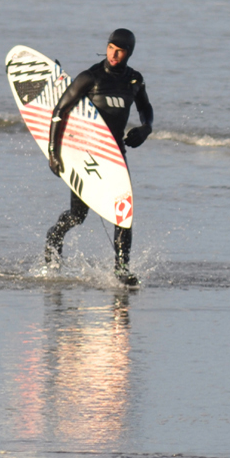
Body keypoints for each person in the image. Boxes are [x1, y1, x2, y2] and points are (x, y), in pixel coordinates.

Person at [45, 28, 153, 285]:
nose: (114, 54)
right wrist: (53, 152)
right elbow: (60, 111)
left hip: (115, 155)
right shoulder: (90, 78)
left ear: (129, 53)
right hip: (87, 155)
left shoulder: (134, 81)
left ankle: (122, 269)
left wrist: (146, 129)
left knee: (123, 213)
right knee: (78, 216)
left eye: (121, 50)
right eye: (111, 48)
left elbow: (146, 108)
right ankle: (54, 237)